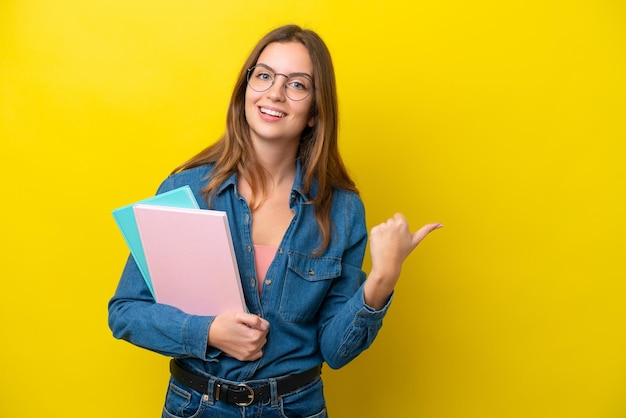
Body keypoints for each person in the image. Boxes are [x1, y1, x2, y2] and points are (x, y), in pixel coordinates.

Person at [108, 24, 441, 418]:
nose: (275, 93)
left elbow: (336, 351)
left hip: (295, 407)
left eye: (297, 84)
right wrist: (208, 332)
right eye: (264, 76)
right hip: (196, 406)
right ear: (246, 88)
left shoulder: (343, 209)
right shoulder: (188, 190)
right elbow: (126, 311)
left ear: (316, 112)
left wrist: (382, 280)